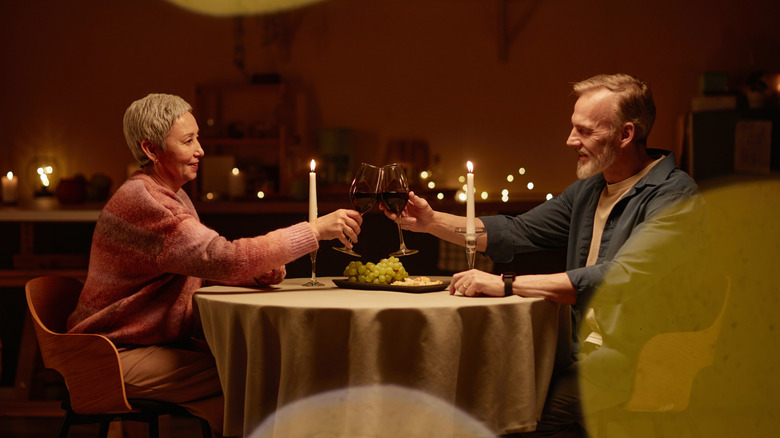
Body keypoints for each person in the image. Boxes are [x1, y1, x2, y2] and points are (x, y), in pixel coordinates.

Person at [382, 74, 701, 436]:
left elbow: (619, 278)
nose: (570, 140)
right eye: (573, 127)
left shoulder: (674, 195)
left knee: (516, 414)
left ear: (625, 134)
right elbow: (518, 230)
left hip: (639, 360)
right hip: (579, 351)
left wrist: (507, 284)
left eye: (584, 131)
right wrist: (431, 222)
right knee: (485, 386)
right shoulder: (589, 189)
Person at [67, 93, 362, 436]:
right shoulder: (149, 203)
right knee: (254, 375)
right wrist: (314, 231)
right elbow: (224, 258)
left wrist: (254, 273)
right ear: (151, 149)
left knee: (254, 373)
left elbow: (201, 265)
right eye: (188, 141)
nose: (200, 150)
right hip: (108, 354)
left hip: (140, 345)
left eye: (198, 138)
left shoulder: (169, 194)